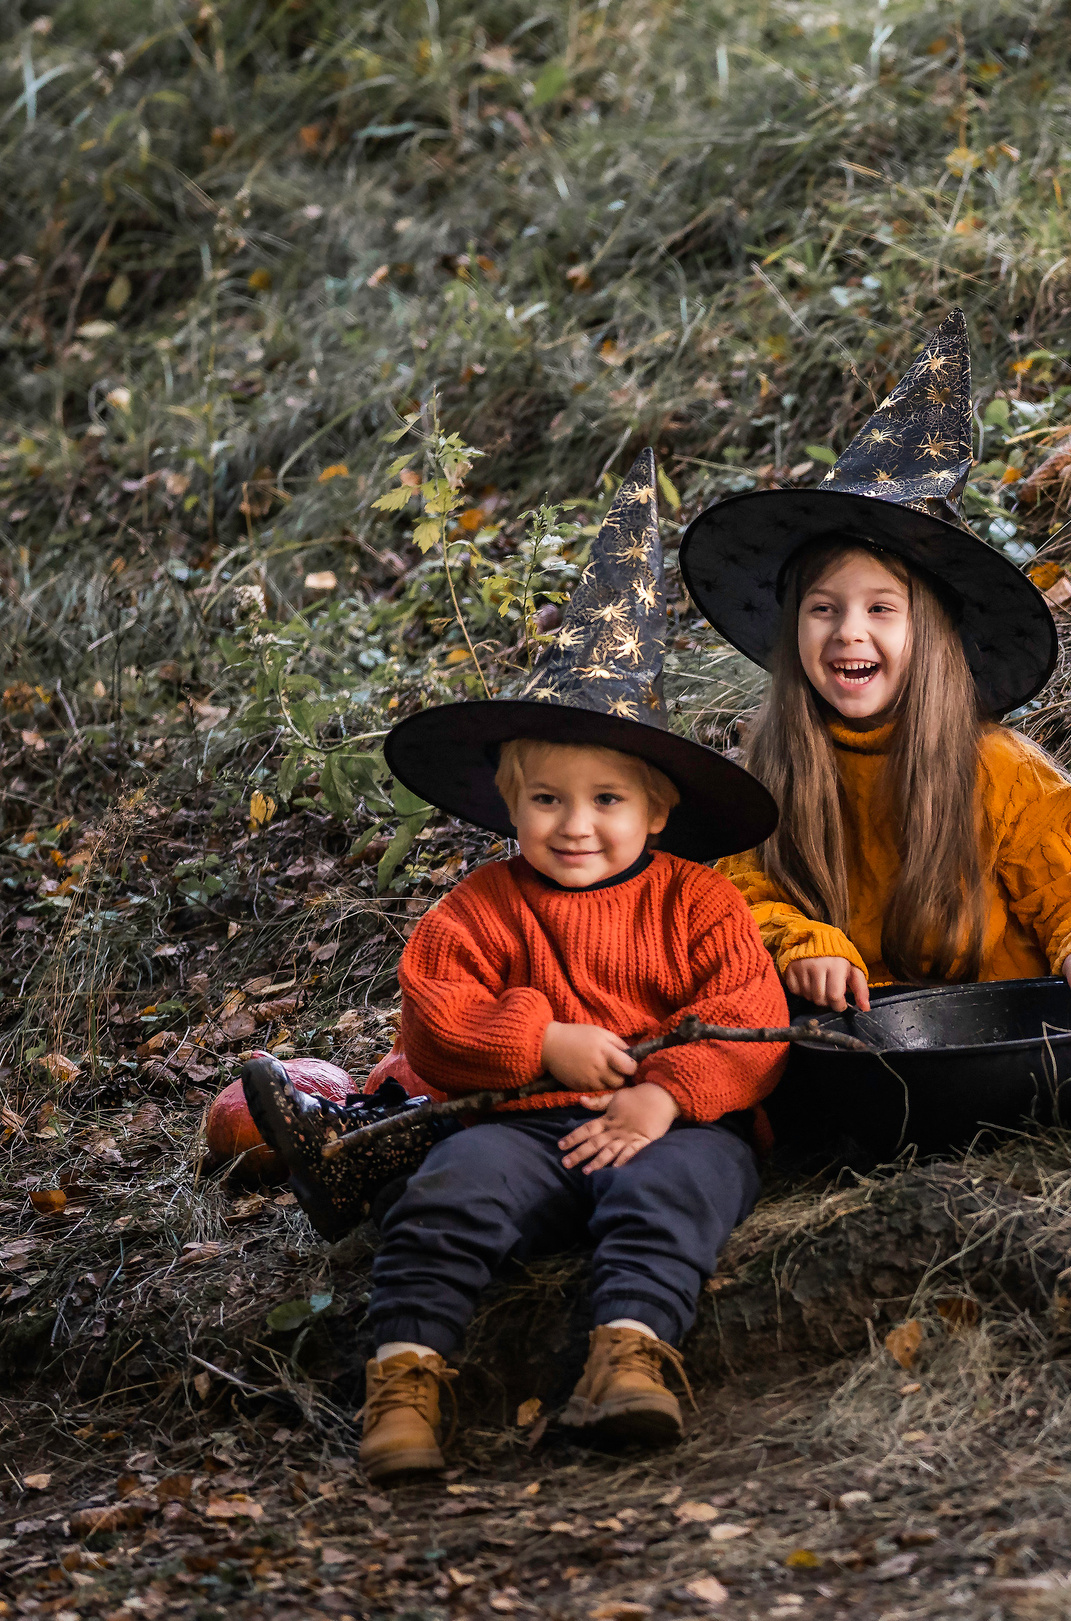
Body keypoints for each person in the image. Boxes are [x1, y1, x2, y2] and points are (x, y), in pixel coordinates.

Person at [243, 454, 791, 1481]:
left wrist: (667, 1097)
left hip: (668, 1128)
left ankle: (628, 1356)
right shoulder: (480, 908)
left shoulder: (698, 901)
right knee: (449, 1196)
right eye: (547, 800)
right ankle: (404, 1383)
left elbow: (749, 1022)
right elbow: (435, 1025)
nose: (575, 826)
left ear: (659, 810)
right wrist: (539, 1041)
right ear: (506, 804)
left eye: (607, 801)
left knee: (675, 1196)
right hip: (518, 1131)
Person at [678, 310, 1071, 1009]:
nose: (847, 633)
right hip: (857, 1039)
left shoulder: (1000, 769)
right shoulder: (777, 761)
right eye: (823, 608)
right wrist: (805, 938)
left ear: (929, 636)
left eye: (880, 609)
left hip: (993, 1034)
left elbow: (1068, 891)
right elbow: (744, 897)